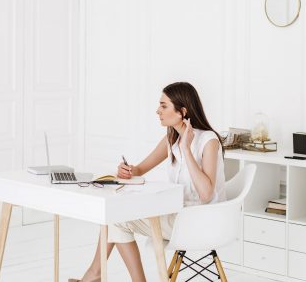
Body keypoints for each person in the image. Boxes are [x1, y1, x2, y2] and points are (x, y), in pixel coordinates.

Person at [69, 82, 226, 282]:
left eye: (163, 106)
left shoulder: (208, 140)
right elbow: (140, 169)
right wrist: (127, 170)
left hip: (201, 221)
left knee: (116, 219)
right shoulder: (171, 139)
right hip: (179, 215)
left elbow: (206, 194)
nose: (157, 111)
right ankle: (96, 275)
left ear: (182, 111)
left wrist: (187, 149)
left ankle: (95, 275)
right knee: (115, 218)